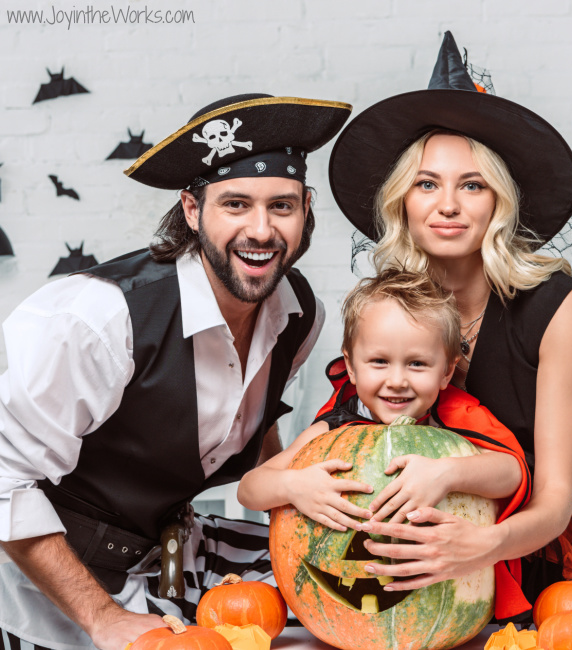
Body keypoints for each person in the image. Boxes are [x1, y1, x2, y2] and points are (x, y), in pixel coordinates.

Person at [0, 93, 352, 650]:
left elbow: (251, 422)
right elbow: (4, 481)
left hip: (169, 559)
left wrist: (294, 492)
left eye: (281, 206)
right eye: (235, 204)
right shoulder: (101, 320)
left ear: (306, 208)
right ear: (192, 210)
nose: (261, 231)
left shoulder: (299, 314)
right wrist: (102, 619)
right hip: (47, 586)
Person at [327, 32, 572, 619]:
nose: (447, 204)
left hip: (566, 581)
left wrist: (476, 548)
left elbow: (553, 501)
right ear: (402, 200)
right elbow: (357, 444)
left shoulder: (555, 306)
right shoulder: (389, 311)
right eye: (427, 183)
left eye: (471, 184)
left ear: (499, 201)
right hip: (437, 589)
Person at [239, 267, 533, 620]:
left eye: (417, 364)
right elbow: (249, 489)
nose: (397, 381)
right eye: (379, 361)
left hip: (446, 600)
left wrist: (447, 474)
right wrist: (292, 485)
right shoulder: (334, 428)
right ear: (350, 367)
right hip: (344, 614)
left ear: (446, 371)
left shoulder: (458, 418)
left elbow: (513, 472)